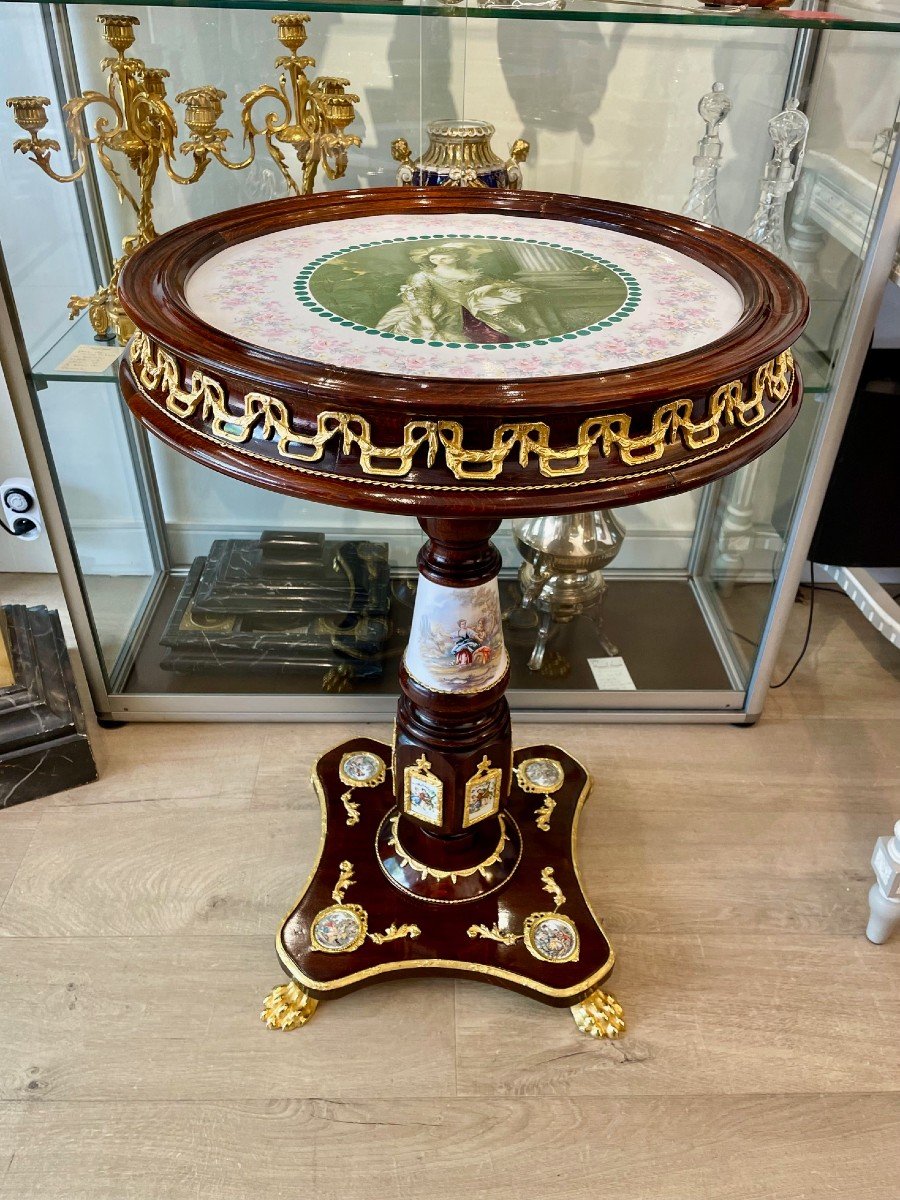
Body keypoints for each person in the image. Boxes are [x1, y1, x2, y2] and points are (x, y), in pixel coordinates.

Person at [377, 243, 534, 343]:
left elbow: (503, 284)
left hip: (473, 312)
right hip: (440, 311)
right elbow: (419, 297)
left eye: (444, 257)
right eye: (434, 258)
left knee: (496, 337)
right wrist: (425, 319)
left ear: (456, 257)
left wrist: (488, 287)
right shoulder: (424, 276)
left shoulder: (473, 274)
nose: (439, 260)